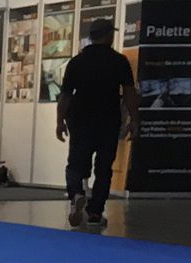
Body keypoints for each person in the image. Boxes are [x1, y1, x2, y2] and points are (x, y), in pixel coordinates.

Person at [56, 18, 137, 230]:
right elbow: (129, 93)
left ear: (91, 37)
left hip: (80, 120)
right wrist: (134, 119)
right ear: (109, 35)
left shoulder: (76, 62)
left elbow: (65, 96)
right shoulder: (119, 61)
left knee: (76, 164)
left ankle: (76, 194)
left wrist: (59, 121)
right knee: (104, 168)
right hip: (108, 120)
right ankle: (94, 213)